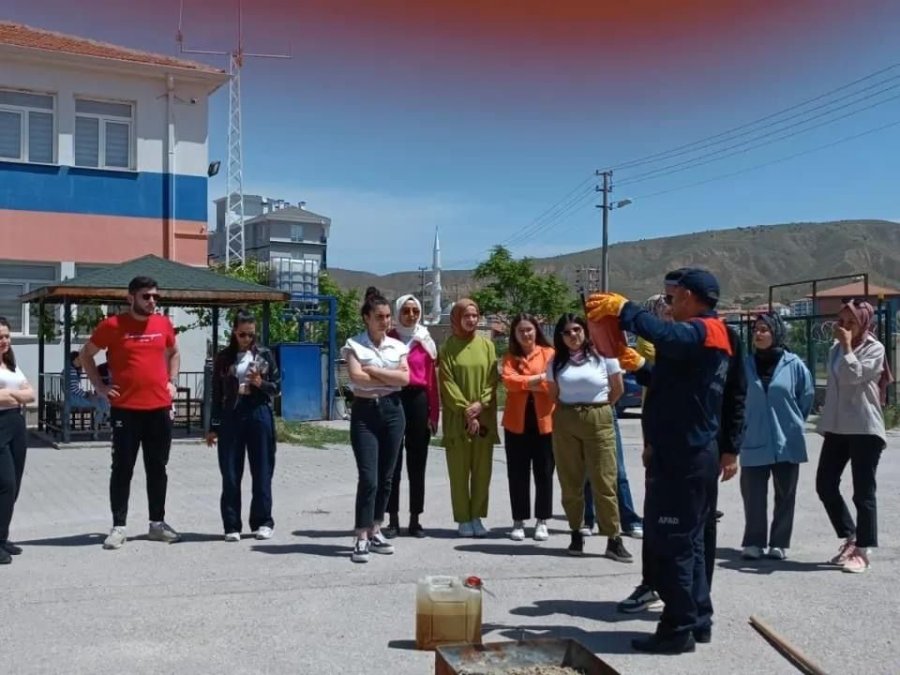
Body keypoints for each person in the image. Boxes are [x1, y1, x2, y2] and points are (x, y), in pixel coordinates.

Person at [587, 268, 733, 654]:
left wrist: (626, 310)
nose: (669, 306)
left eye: (672, 299)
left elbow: (666, 335)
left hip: (684, 457)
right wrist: (640, 366)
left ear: (687, 295)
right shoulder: (704, 339)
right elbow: (678, 384)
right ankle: (698, 620)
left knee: (673, 545)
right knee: (692, 544)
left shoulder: (706, 329)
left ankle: (676, 629)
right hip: (689, 453)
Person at [80, 276, 181, 550]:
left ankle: (157, 525)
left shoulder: (163, 324)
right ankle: (118, 527)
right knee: (122, 469)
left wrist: (172, 381)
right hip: (126, 410)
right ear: (131, 298)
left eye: (155, 297)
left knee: (157, 468)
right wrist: (100, 386)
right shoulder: (112, 326)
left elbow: (173, 352)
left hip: (159, 409)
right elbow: (85, 355)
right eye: (146, 296)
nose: (152, 301)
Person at [815, 298, 893, 574]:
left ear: (864, 323)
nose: (844, 327)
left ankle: (863, 550)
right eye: (841, 321)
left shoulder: (875, 348)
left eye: (851, 322)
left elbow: (852, 377)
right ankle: (850, 536)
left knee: (863, 491)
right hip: (838, 427)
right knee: (824, 484)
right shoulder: (835, 348)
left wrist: (848, 346)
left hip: (864, 427)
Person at [546, 313, 632, 562]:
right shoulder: (556, 362)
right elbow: (553, 394)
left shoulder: (605, 355)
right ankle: (576, 530)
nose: (573, 336)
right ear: (560, 337)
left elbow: (617, 389)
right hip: (566, 419)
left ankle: (613, 538)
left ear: (585, 331)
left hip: (599, 417)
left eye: (576, 330)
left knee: (604, 479)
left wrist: (599, 410)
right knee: (570, 480)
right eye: (566, 332)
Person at [739, 312, 814, 561]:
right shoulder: (745, 365)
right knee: (753, 496)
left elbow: (806, 398)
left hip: (787, 441)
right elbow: (736, 400)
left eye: (764, 329)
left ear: (776, 333)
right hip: (753, 438)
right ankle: (753, 542)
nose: (758, 334)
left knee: (785, 495)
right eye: (756, 329)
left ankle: (779, 543)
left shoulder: (795, 366)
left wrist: (792, 423)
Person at [343, 288, 410, 563]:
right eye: (379, 317)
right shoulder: (353, 345)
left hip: (393, 412)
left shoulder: (397, 346)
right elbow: (357, 378)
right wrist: (388, 377)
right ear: (366, 318)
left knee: (387, 477)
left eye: (387, 317)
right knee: (369, 477)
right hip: (365, 412)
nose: (385, 322)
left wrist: (375, 371)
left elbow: (406, 379)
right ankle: (360, 536)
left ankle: (376, 529)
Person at [206, 311, 281, 542]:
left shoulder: (265, 354)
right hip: (232, 415)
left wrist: (261, 383)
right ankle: (231, 525)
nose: (247, 339)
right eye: (242, 334)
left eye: (251, 334)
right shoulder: (223, 358)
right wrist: (213, 426)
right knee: (230, 472)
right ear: (234, 332)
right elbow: (216, 394)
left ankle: (263, 522)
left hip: (258, 413)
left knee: (262, 470)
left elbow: (277, 388)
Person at [439, 299, 499, 538]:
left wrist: (480, 405)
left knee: (482, 471)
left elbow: (492, 380)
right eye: (467, 316)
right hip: (458, 419)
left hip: (483, 418)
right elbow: (447, 383)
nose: (472, 320)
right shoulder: (447, 349)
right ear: (457, 318)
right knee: (459, 471)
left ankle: (477, 516)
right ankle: (463, 518)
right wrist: (466, 410)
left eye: (475, 315)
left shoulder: (487, 346)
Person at [384, 294, 439, 539]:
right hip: (395, 398)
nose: (411, 315)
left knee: (418, 462)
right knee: (392, 462)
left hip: (418, 401)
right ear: (398, 313)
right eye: (405, 311)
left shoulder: (425, 341)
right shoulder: (388, 339)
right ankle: (392, 519)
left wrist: (434, 413)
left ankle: (415, 518)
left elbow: (431, 381)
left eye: (415, 311)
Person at [500, 313, 555, 542]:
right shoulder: (509, 358)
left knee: (544, 472)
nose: (526, 334)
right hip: (516, 424)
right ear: (514, 333)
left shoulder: (550, 354)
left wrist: (527, 382)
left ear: (536, 330)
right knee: (517, 473)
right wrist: (536, 379)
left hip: (544, 422)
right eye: (521, 330)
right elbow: (509, 383)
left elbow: (550, 383)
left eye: (529, 329)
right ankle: (518, 521)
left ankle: (542, 520)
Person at [0, 317, 35, 565]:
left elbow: (30, 394)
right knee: (5, 484)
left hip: (16, 425)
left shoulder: (10, 363)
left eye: (6, 336)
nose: (4, 341)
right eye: (0, 337)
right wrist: (17, 395)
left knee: (15, 484)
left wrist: (10, 394)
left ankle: (3, 536)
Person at [62, 351, 110, 427]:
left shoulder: (68, 369)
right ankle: (97, 425)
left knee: (100, 401)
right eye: (79, 359)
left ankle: (99, 422)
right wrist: (86, 394)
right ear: (74, 360)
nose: (81, 361)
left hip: (71, 397)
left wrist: (86, 393)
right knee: (100, 403)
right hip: (74, 398)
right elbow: (74, 388)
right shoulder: (72, 371)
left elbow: (73, 388)